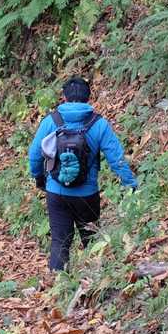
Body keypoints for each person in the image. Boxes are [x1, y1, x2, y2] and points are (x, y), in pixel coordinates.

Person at [27, 77, 138, 273]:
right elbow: (117, 159)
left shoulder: (51, 121)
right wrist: (131, 185)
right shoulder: (99, 124)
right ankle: (95, 281)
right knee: (92, 242)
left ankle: (58, 284)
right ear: (88, 98)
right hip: (87, 195)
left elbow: (35, 155)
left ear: (64, 97)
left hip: (56, 193)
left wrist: (39, 178)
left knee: (60, 242)